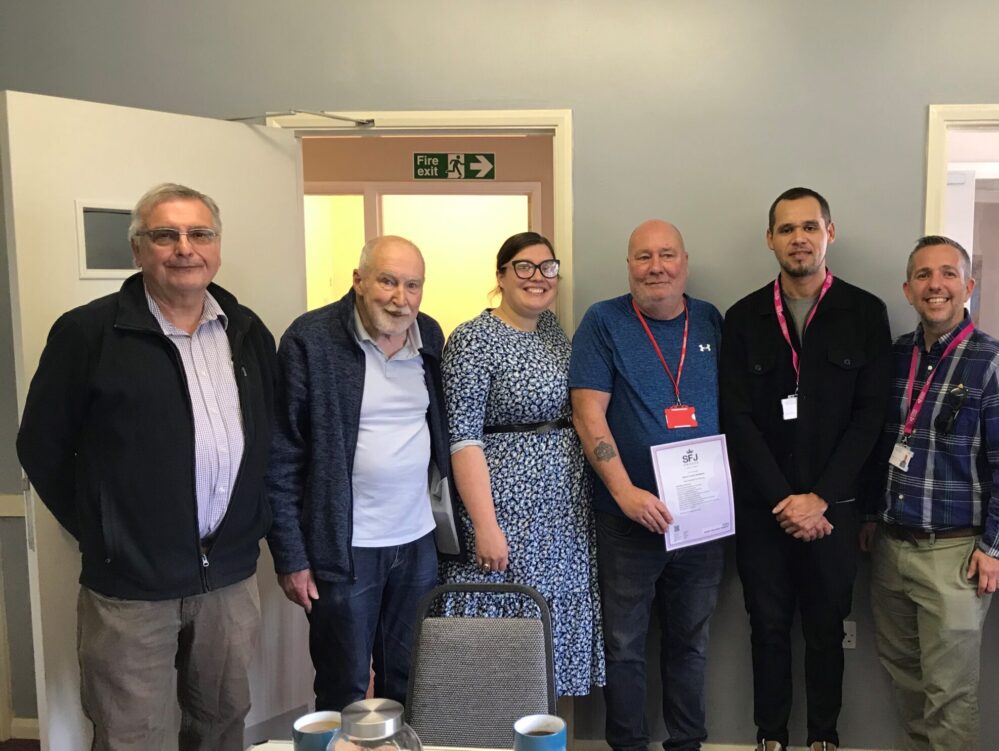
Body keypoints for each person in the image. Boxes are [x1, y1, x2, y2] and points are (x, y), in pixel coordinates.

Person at [16, 183, 276, 751]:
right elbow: (40, 445)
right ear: (139, 250)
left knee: (222, 725)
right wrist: (107, 529)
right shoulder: (87, 333)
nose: (185, 248)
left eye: (200, 234)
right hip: (132, 590)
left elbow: (267, 442)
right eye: (166, 235)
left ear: (217, 246)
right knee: (134, 736)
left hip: (228, 580)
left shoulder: (247, 331)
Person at [720, 187, 891, 751]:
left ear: (829, 233)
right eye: (787, 229)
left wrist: (819, 498)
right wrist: (784, 500)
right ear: (770, 239)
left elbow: (871, 418)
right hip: (765, 512)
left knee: (826, 632)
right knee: (766, 629)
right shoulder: (744, 317)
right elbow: (737, 418)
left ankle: (824, 738)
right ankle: (770, 738)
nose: (799, 239)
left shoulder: (865, 313)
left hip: (834, 513)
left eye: (810, 227)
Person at [266, 235, 462, 711]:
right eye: (388, 281)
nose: (401, 298)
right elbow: (281, 455)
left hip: (417, 542)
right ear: (358, 281)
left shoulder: (429, 336)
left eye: (412, 285)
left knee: (409, 678)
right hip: (344, 548)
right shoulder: (309, 339)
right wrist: (291, 556)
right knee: (345, 685)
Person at [569, 219, 725, 751]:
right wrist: (622, 491)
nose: (655, 267)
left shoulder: (709, 321)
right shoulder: (603, 322)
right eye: (643, 257)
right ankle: (629, 746)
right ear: (628, 265)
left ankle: (687, 744)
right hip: (626, 520)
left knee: (691, 643)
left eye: (666, 255)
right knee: (625, 644)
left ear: (685, 262)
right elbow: (588, 414)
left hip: (702, 520)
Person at [438, 231, 605, 697]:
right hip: (505, 511)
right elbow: (463, 439)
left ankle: (544, 740)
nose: (538, 277)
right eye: (524, 267)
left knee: (547, 632)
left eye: (547, 267)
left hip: (561, 515)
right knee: (500, 638)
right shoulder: (474, 339)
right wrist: (486, 526)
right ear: (501, 276)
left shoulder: (552, 329)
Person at [860, 236, 999, 751]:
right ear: (907, 289)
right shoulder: (896, 357)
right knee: (907, 684)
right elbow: (880, 445)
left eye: (947, 274)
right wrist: (873, 516)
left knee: (950, 695)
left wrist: (993, 547)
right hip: (892, 549)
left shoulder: (989, 362)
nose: (934, 285)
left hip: (956, 555)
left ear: (968, 285)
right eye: (923, 275)